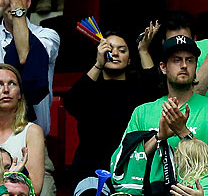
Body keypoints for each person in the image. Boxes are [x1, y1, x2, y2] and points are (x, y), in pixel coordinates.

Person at [111, 34, 208, 196]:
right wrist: (160, 137)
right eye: (176, 60)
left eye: (189, 60)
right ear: (163, 67)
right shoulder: (143, 112)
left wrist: (183, 132)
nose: (184, 66)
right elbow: (125, 163)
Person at [65, 28, 157, 181]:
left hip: (129, 166)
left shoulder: (137, 88)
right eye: (109, 49)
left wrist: (143, 50)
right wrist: (98, 65)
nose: (115, 54)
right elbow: (71, 102)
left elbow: (154, 90)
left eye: (122, 50)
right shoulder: (91, 87)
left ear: (129, 60)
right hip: (90, 167)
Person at [0, 62, 49, 196]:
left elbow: (34, 188)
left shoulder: (32, 131)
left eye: (12, 83)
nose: (6, 90)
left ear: (19, 94)